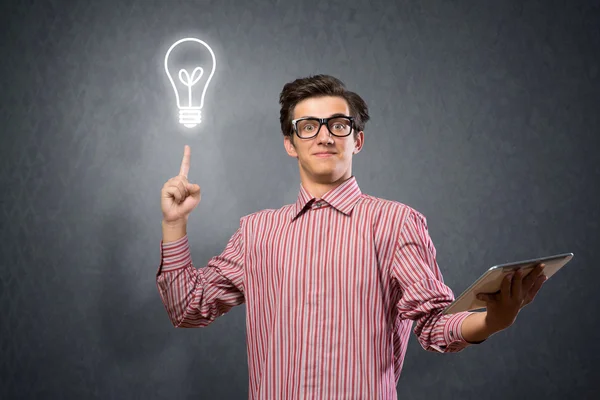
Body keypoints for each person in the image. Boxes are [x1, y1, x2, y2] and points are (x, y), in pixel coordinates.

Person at [156, 75, 547, 399]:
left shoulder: (396, 223)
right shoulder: (256, 231)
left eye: (338, 125)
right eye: (308, 127)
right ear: (290, 144)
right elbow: (188, 307)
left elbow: (432, 325)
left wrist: (493, 320)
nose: (324, 137)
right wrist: (174, 224)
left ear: (356, 139)